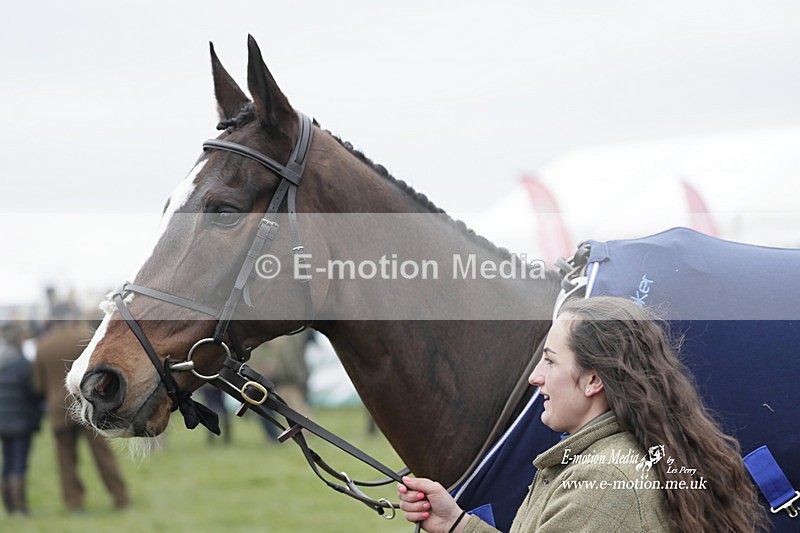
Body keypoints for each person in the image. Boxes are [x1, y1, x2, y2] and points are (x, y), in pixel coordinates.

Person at [398, 296, 766, 532]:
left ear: (593, 380)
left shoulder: (603, 481)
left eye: (550, 361)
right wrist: (456, 524)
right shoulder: (609, 464)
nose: (535, 377)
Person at [31, 303, 130, 512]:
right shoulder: (86, 336)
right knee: (103, 455)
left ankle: (74, 502)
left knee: (66, 460)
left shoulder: (43, 344)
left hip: (58, 410)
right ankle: (120, 496)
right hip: (89, 405)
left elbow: (38, 385)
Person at [0, 322, 42, 515]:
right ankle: (20, 506)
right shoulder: (22, 364)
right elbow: (34, 393)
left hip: (2, 422)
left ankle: (8, 506)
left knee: (7, 462)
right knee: (19, 463)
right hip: (21, 421)